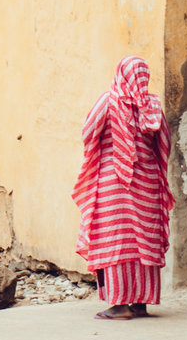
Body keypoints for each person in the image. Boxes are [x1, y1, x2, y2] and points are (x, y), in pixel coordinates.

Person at [73, 56, 173, 319]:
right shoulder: (153, 106)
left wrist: (106, 149)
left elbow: (88, 131)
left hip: (113, 183)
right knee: (143, 241)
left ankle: (118, 306)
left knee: (114, 240)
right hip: (147, 185)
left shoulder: (109, 100)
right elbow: (165, 143)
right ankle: (140, 304)